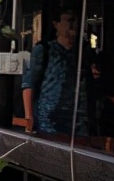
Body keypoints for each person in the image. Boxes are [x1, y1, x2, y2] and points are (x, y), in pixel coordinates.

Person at [21, 8, 100, 136]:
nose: (73, 25)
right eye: (69, 20)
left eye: (76, 21)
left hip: (79, 123)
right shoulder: (44, 50)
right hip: (48, 123)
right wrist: (29, 121)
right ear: (56, 24)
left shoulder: (84, 53)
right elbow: (29, 85)